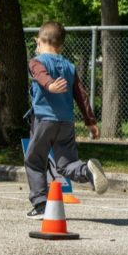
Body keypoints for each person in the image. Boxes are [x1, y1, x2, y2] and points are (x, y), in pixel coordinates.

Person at [24, 21, 108, 219]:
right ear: (61, 46)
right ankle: (87, 171)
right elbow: (81, 94)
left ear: (39, 41)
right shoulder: (69, 66)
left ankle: (40, 205)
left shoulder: (36, 61)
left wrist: (50, 85)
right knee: (66, 164)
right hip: (66, 123)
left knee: (35, 161)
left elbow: (41, 75)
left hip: (44, 120)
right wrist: (90, 122)